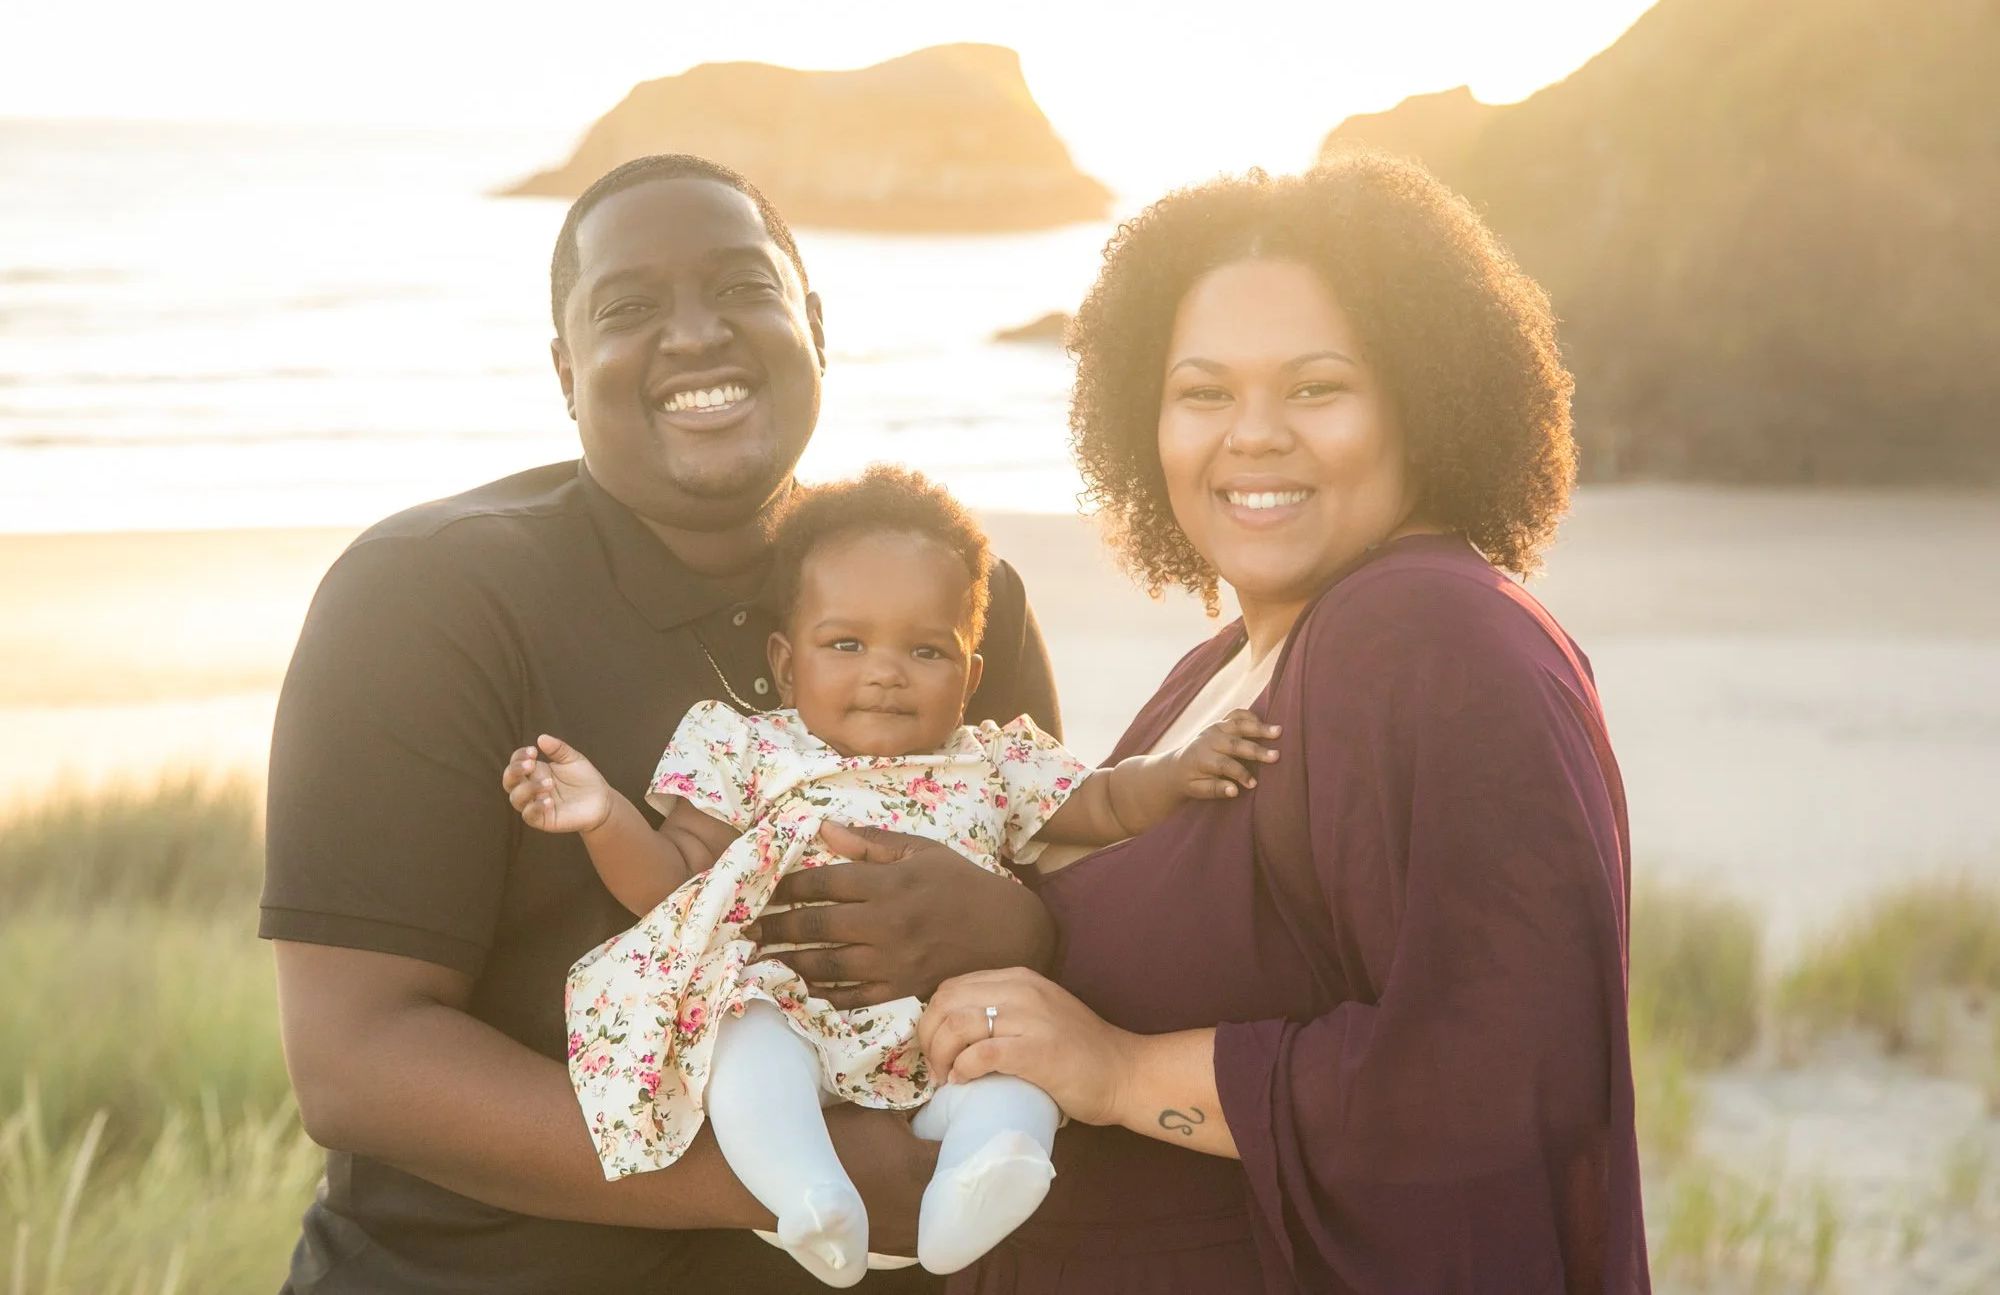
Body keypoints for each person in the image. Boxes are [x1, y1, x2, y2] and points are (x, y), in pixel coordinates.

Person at [765, 155, 1652, 1291]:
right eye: (1202, 393)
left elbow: (1503, 1074)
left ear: (1421, 402)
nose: (1252, 435)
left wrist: (1125, 1072)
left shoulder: (1428, 634)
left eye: (1316, 388)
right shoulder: (1225, 663)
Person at [260, 156, 1067, 1293]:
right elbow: (359, 1062)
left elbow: (1056, 903)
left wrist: (1017, 929)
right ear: (565, 369)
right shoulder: (424, 597)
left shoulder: (948, 600)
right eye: (628, 309)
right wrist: (803, 1173)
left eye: (742, 288)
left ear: (814, 329)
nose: (695, 337)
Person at [501, 466, 1280, 1284]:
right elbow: (674, 883)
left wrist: (1181, 767)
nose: (885, 671)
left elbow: (1109, 801)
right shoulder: (746, 746)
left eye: (925, 649)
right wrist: (605, 817)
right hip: (793, 1006)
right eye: (846, 644)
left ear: (970, 674)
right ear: (786, 659)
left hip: (944, 1023)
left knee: (1016, 1065)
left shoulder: (993, 758)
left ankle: (980, 1184)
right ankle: (806, 1190)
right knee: (740, 1038)